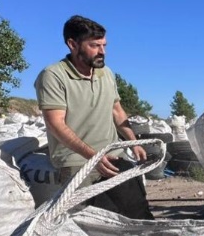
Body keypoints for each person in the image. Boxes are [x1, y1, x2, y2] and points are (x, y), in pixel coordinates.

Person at [35, 15, 154, 219]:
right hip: (77, 159)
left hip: (113, 154)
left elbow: (116, 110)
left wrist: (133, 142)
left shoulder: (106, 73)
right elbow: (55, 124)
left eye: (104, 45)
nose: (102, 52)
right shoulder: (53, 75)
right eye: (94, 45)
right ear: (72, 44)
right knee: (89, 221)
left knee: (138, 212)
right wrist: (93, 157)